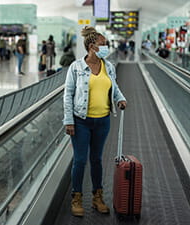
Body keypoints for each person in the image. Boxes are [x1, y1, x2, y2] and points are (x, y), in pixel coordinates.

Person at [63, 26, 127, 217]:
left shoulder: (109, 67)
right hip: (81, 121)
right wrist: (69, 121)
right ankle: (77, 198)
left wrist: (120, 98)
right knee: (80, 160)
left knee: (97, 160)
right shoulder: (76, 67)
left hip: (103, 120)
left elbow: (114, 88)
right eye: (103, 44)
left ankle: (97, 197)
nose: (106, 47)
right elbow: (68, 95)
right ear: (92, 46)